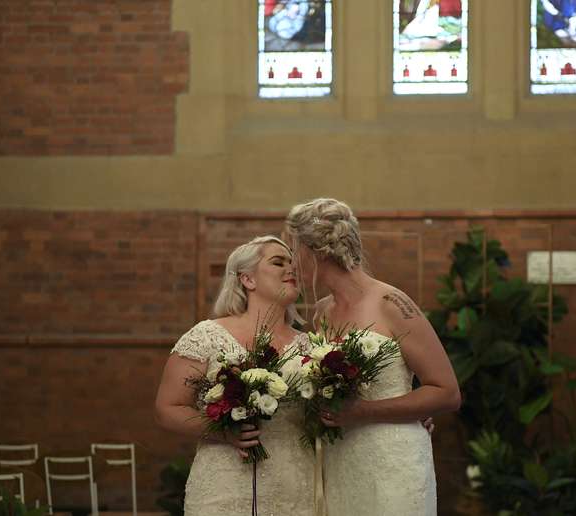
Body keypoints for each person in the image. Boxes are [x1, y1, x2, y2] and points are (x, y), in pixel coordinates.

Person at [284, 198, 461, 516]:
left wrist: (364, 411)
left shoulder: (392, 303)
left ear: (316, 251)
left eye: (293, 249)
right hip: (341, 461)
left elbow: (447, 392)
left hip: (393, 459)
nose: (291, 262)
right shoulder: (322, 312)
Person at [154, 236, 314, 516]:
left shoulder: (309, 346)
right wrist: (224, 431)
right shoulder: (206, 335)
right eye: (278, 262)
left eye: (292, 263)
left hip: (296, 484)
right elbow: (167, 409)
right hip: (225, 484)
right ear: (247, 279)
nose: (291, 269)